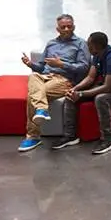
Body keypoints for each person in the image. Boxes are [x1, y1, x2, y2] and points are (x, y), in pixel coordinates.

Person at [18, 14, 92, 153]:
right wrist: (30, 64)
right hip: (45, 77)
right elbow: (41, 66)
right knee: (34, 76)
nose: (66, 29)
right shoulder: (51, 43)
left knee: (32, 96)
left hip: (65, 80)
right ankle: (42, 110)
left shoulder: (81, 43)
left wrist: (62, 64)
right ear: (57, 29)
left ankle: (33, 136)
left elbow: (84, 67)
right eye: (63, 27)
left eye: (69, 26)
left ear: (74, 27)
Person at [53, 32, 111, 155]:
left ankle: (108, 139)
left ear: (96, 46)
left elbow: (108, 87)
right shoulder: (96, 55)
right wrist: (75, 89)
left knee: (101, 99)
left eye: (89, 44)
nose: (87, 46)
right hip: (106, 86)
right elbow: (91, 78)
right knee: (70, 97)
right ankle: (70, 136)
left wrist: (81, 94)